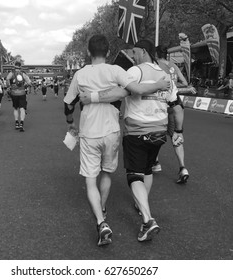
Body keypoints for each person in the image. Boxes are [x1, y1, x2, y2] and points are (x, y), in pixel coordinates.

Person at [64, 35, 170, 246]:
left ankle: (101, 222)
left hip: (89, 132)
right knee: (106, 173)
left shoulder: (80, 74)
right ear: (109, 52)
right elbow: (137, 90)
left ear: (88, 51)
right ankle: (103, 206)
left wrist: (70, 123)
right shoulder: (116, 71)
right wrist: (159, 83)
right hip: (111, 131)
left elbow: (68, 103)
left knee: (90, 178)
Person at [153, 45, 189, 183]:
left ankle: (155, 163)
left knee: (156, 133)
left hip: (162, 103)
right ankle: (182, 167)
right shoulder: (173, 65)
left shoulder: (156, 65)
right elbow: (184, 83)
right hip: (175, 103)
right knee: (176, 135)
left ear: (156, 54)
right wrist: (173, 85)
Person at [6, 63, 32, 131]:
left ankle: (16, 122)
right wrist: (27, 84)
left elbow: (7, 79)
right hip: (22, 93)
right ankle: (22, 123)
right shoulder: (23, 74)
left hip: (14, 93)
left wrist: (9, 86)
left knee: (15, 108)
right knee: (22, 108)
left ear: (14, 67)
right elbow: (29, 82)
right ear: (20, 67)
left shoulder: (11, 73)